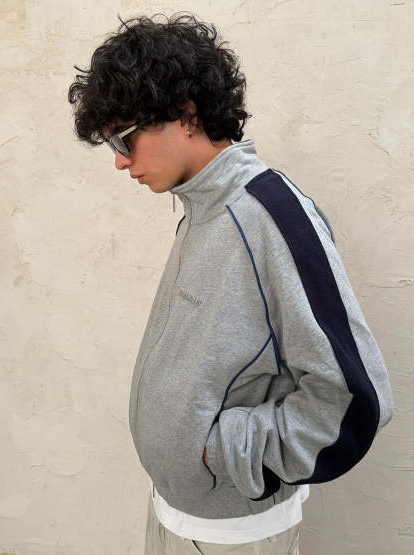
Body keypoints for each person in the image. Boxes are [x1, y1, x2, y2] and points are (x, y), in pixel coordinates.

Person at [68, 12, 394, 554]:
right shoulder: (201, 210)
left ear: (186, 114)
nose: (121, 162)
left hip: (233, 536)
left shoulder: (273, 216)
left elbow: (355, 400)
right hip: (177, 514)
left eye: (126, 138)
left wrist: (221, 451)